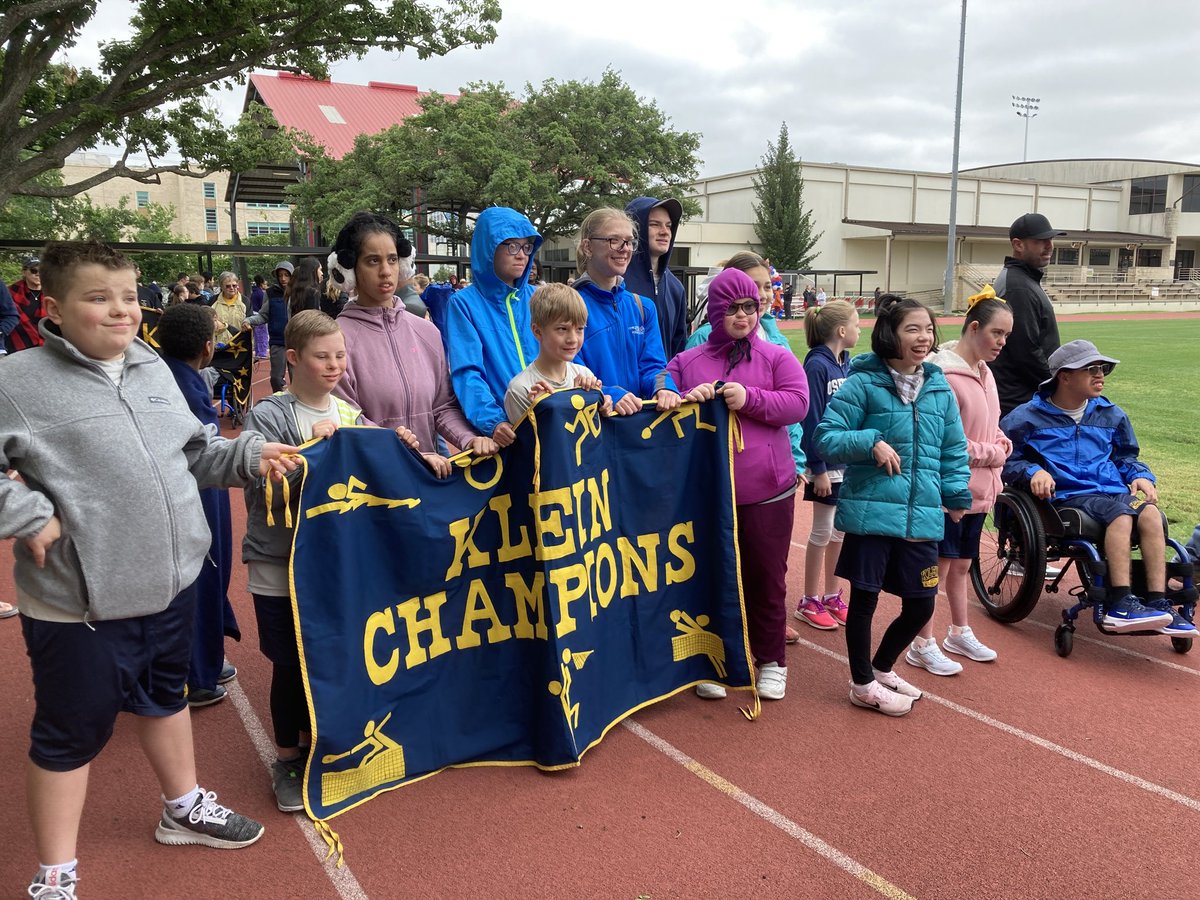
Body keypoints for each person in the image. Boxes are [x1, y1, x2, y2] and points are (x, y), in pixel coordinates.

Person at [0, 241, 299, 898]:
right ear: (54, 307)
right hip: (80, 604)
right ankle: (54, 876)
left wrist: (252, 454)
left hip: (172, 584)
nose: (121, 312)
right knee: (67, 737)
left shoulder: (152, 366)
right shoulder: (17, 381)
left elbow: (195, 452)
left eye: (130, 297)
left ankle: (181, 807)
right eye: (98, 298)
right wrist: (25, 513)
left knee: (167, 701)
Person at [241, 309, 419, 812]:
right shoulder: (270, 413)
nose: (335, 365)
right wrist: (308, 454)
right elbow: (263, 484)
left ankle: (322, 740)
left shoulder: (347, 412)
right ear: (293, 358)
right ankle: (286, 759)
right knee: (288, 661)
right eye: (323, 356)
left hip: (334, 566)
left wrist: (397, 446)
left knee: (328, 653)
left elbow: (373, 468)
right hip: (279, 562)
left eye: (340, 355)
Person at [814, 294, 972, 717]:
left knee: (921, 601)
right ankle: (862, 683)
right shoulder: (863, 383)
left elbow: (953, 450)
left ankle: (883, 668)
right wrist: (870, 441)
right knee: (864, 600)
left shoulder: (938, 387)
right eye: (912, 329)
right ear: (890, 334)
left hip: (921, 513)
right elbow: (826, 436)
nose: (923, 338)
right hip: (870, 512)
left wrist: (956, 496)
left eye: (928, 329)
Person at [667, 268, 809, 701]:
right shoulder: (691, 360)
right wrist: (669, 393)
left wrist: (749, 398)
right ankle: (714, 659)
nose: (744, 315)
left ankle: (770, 661)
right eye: (733, 307)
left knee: (766, 578)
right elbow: (661, 380)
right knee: (708, 576)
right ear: (715, 310)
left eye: (751, 306)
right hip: (709, 495)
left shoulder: (775, 356)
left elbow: (799, 403)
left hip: (769, 491)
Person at [1001, 340, 1194, 635]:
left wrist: (1141, 475)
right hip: (1069, 496)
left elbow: (1126, 457)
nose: (1100, 375)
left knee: (1151, 513)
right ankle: (1121, 603)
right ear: (1064, 376)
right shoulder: (1026, 417)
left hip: (1111, 490)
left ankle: (1158, 602)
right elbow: (1005, 457)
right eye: (1090, 369)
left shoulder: (1111, 414)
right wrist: (1032, 470)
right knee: (1120, 515)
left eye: (1102, 368)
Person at [330, 211, 498, 473]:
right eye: (373, 261)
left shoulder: (426, 332)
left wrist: (469, 439)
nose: (386, 271)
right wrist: (411, 453)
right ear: (349, 270)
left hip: (426, 479)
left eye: (393, 259)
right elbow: (346, 418)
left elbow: (442, 406)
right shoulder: (336, 339)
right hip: (369, 485)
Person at [905, 289, 1013, 675]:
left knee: (962, 565)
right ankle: (922, 642)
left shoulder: (986, 373)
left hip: (980, 491)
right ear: (973, 327)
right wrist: (992, 452)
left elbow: (991, 425)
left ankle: (959, 630)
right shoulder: (943, 377)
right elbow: (943, 440)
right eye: (997, 333)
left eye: (1006, 336)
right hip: (950, 489)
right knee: (937, 568)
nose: (1002, 343)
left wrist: (1001, 441)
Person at [154, 304, 241, 706]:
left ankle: (205, 658)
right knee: (203, 575)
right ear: (208, 348)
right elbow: (207, 449)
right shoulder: (183, 387)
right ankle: (197, 676)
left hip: (189, 489)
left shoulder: (163, 374)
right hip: (198, 494)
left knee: (203, 578)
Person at [445, 206, 544, 448]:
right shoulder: (463, 303)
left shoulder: (539, 297)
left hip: (550, 422)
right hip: (506, 434)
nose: (521, 254)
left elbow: (567, 356)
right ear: (488, 249)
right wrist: (494, 421)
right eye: (511, 245)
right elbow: (467, 372)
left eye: (526, 246)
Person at [572, 207, 682, 416]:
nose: (625, 249)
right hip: (590, 427)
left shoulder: (643, 307)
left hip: (636, 428)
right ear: (588, 247)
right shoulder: (567, 306)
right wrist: (609, 394)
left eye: (629, 241)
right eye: (614, 240)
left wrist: (665, 388)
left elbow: (654, 366)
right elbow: (566, 374)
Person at [795, 299, 861, 631]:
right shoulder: (817, 366)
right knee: (822, 530)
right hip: (826, 465)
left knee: (840, 531)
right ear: (840, 330)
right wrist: (817, 467)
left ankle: (832, 594)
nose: (860, 329)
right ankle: (808, 599)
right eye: (856, 323)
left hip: (846, 462)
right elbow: (811, 419)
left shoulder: (845, 364)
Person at [990, 212, 1066, 416]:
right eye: (1040, 240)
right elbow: (1026, 351)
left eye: (1050, 239)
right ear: (1018, 245)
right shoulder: (1018, 287)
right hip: (1019, 402)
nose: (1049, 245)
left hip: (1021, 398)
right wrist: (1057, 386)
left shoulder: (1022, 280)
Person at [503, 283, 606, 423]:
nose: (573, 339)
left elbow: (595, 435)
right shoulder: (521, 389)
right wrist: (542, 409)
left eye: (580, 329)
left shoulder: (585, 375)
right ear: (537, 331)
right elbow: (534, 443)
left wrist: (603, 406)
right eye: (562, 329)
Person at [624, 197, 687, 360]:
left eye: (669, 226)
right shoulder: (615, 281)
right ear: (634, 229)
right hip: (619, 385)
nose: (665, 232)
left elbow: (678, 348)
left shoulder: (676, 288)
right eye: (654, 224)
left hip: (662, 384)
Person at [242, 260, 292, 392]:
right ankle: (279, 402)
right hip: (278, 341)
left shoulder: (299, 292)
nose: (283, 278)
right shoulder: (270, 293)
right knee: (275, 378)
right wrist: (249, 320)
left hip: (297, 342)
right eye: (280, 275)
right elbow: (263, 315)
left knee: (299, 379)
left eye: (286, 275)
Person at [7, 256, 44, 353]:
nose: (38, 274)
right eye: (34, 271)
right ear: (24, 272)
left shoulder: (53, 293)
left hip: (48, 344)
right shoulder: (10, 292)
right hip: (17, 345)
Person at [211, 271, 247, 337]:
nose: (232, 288)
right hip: (218, 344)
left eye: (234, 285)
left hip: (239, 343)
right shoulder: (213, 301)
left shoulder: (245, 301)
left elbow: (250, 322)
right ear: (221, 286)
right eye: (228, 286)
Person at [249, 273, 269, 358]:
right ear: (261, 283)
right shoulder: (261, 293)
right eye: (265, 284)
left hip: (253, 314)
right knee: (262, 335)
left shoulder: (253, 292)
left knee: (257, 336)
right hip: (259, 315)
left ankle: (258, 352)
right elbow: (264, 306)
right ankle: (262, 353)